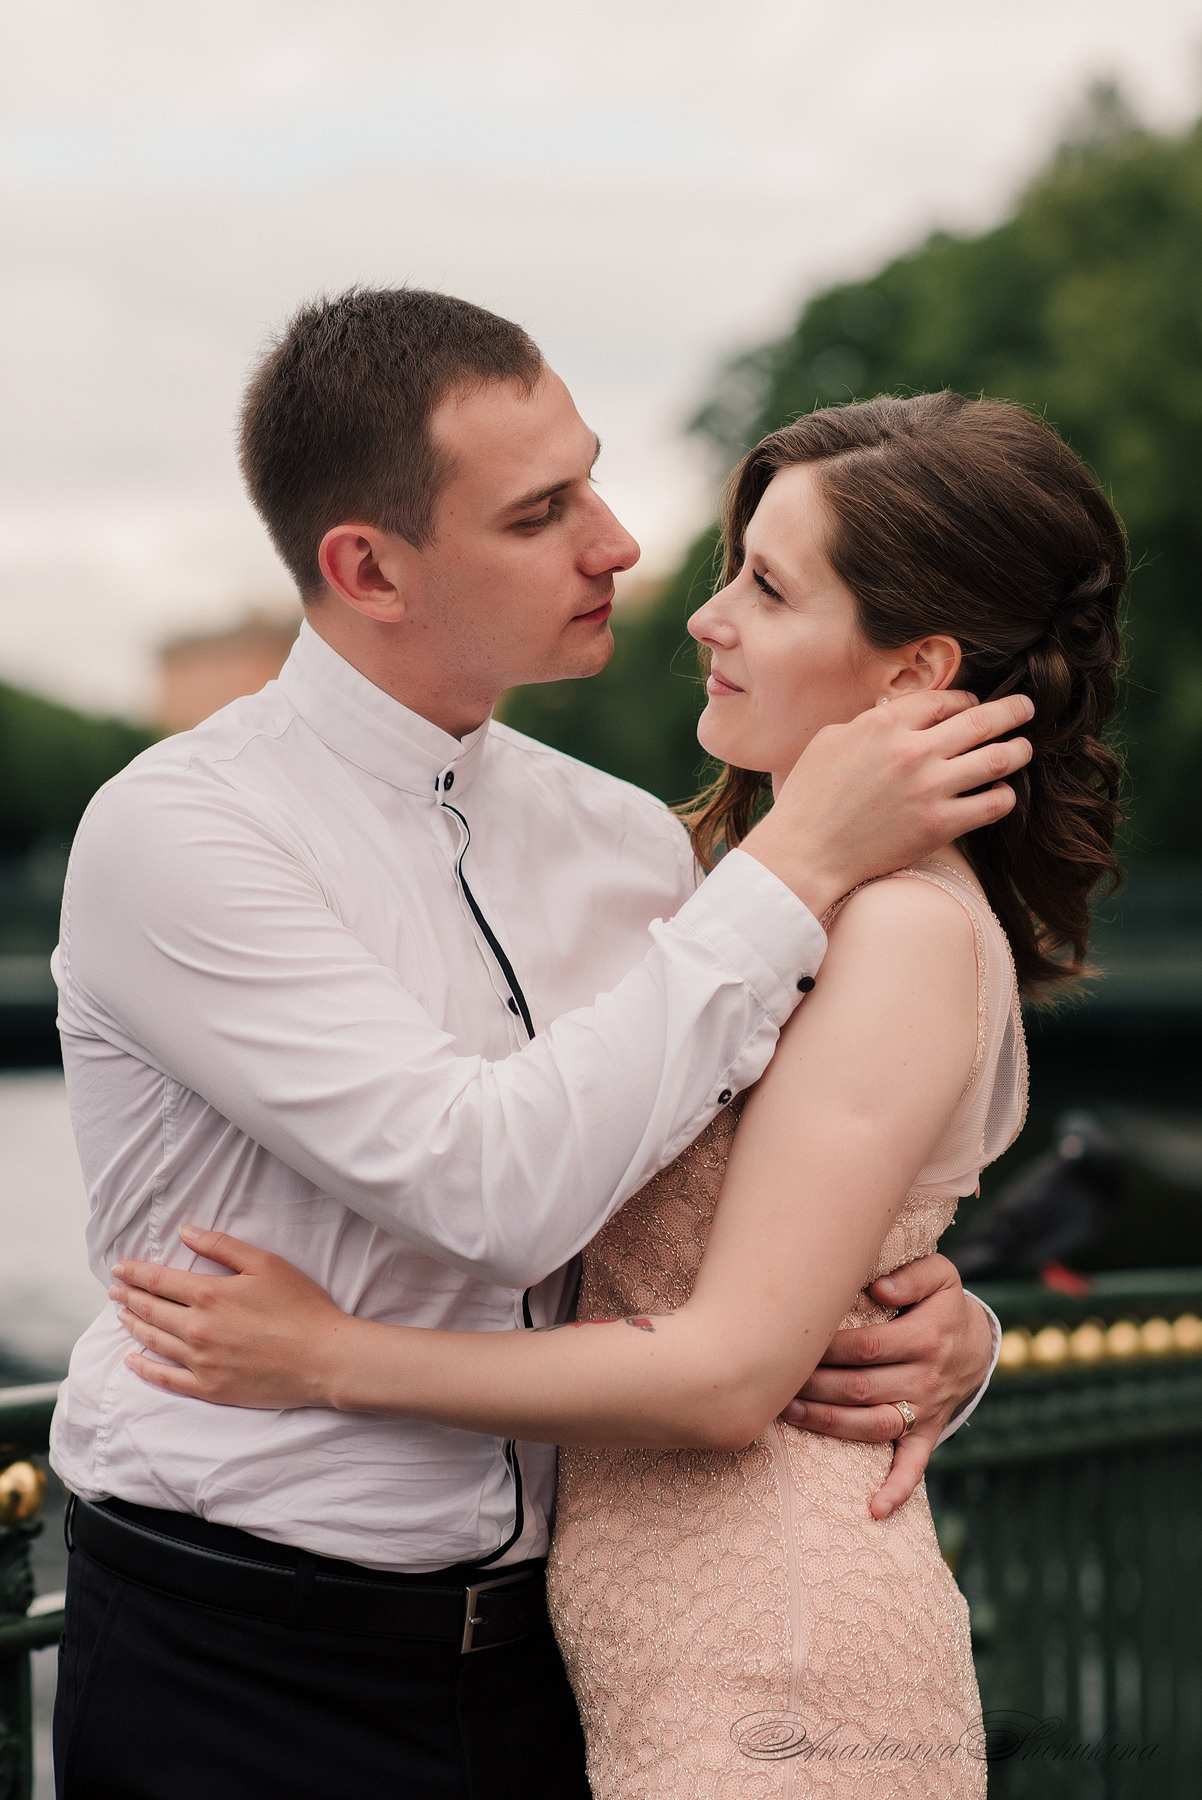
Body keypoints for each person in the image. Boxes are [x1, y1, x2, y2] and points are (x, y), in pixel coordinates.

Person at [52, 292, 1030, 1800]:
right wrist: (787, 869)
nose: (621, 543)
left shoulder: (632, 846)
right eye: (541, 511)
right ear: (367, 567)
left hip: (563, 1664)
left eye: (592, 474)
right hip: (242, 1656)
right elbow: (490, 1192)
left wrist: (941, 1341)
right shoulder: (181, 833)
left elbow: (739, 1217)